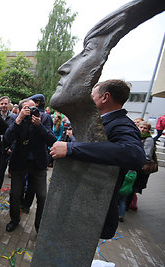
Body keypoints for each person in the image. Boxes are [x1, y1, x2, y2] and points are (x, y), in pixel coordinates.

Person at [50, 79, 146, 239]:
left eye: (92, 95)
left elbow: (134, 155)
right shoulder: (101, 121)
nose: (89, 99)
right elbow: (97, 151)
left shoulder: (122, 124)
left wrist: (71, 148)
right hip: (80, 200)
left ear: (105, 97)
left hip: (93, 208)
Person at [4, 98, 56, 232]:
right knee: (15, 194)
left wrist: (39, 126)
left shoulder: (44, 118)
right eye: (27, 108)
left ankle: (39, 226)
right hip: (19, 162)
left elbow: (51, 140)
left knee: (42, 196)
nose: (31, 111)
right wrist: (19, 120)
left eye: (34, 108)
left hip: (38, 163)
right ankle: (14, 219)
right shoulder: (16, 118)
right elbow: (7, 139)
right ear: (21, 109)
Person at [127, 120, 156, 211]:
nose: (142, 130)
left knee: (132, 188)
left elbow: (147, 155)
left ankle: (127, 206)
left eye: (145, 128)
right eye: (141, 127)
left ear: (148, 130)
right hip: (132, 164)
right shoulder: (135, 136)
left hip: (139, 167)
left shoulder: (148, 140)